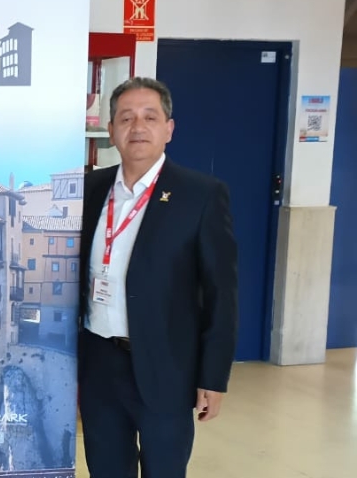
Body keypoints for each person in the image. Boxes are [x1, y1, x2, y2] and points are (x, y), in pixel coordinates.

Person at [78, 77, 238, 478]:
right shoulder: (90, 189)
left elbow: (222, 294)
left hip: (167, 368)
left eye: (150, 117)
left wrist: (213, 377)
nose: (138, 127)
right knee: (106, 469)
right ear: (111, 129)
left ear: (169, 128)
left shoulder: (201, 194)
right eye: (126, 118)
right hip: (99, 363)